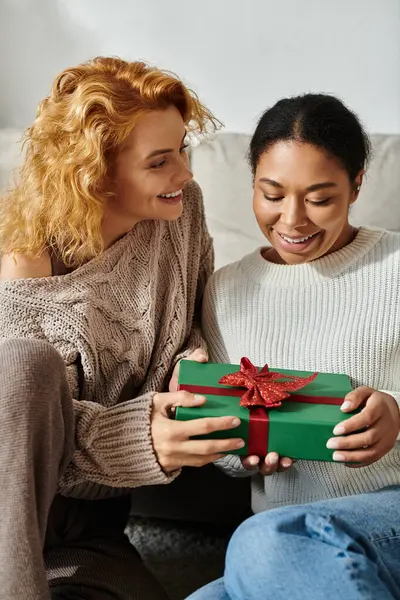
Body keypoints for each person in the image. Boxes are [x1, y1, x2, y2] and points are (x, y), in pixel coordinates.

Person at [0, 57, 246, 600]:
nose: (184, 173)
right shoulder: (26, 260)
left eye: (183, 148)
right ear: (95, 173)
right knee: (23, 363)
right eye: (159, 161)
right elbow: (30, 431)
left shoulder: (180, 213)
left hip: (92, 526)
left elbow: (190, 322)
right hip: (13, 514)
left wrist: (191, 368)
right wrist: (140, 434)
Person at [187, 94, 400, 599]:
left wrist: (397, 414)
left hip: (384, 511)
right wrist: (244, 451)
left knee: (266, 540)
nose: (293, 220)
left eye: (320, 198)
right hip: (285, 537)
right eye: (272, 194)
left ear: (356, 185)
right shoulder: (225, 289)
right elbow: (224, 442)